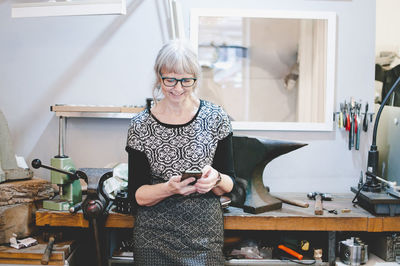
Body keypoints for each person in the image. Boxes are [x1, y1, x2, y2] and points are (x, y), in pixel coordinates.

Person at [125, 40, 236, 265]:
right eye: (170, 80)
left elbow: (230, 182)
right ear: (159, 76)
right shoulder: (141, 125)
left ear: (195, 79)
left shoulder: (215, 118)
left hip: (204, 236)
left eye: (186, 80)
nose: (177, 88)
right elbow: (137, 195)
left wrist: (216, 179)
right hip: (154, 237)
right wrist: (168, 188)